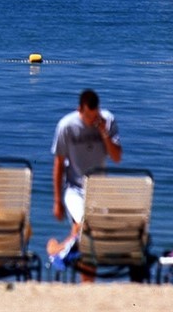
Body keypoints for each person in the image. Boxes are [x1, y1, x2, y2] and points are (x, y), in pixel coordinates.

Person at [50, 89, 122, 279]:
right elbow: (58, 163)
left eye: (94, 115)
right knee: (85, 227)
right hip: (74, 189)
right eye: (88, 116)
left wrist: (104, 133)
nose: (91, 120)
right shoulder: (67, 126)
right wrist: (57, 200)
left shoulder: (107, 121)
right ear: (79, 110)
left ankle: (58, 250)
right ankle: (63, 255)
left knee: (90, 237)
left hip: (100, 191)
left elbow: (116, 157)